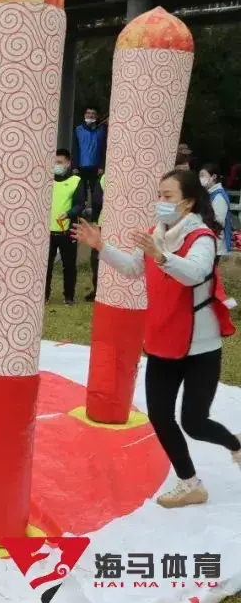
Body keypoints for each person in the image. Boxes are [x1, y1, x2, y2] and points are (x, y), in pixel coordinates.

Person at [73, 169, 241, 509]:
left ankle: (235, 444)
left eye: (167, 196)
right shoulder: (156, 234)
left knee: (194, 422)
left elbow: (194, 273)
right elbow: (134, 268)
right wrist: (101, 245)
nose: (160, 202)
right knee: (160, 416)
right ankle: (190, 482)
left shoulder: (202, 237)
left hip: (200, 346)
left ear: (188, 202)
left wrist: (161, 255)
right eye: (159, 195)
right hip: (163, 338)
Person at [46, 149, 88, 306]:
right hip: (46, 232)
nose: (56, 165)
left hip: (67, 231)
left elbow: (80, 204)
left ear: (68, 163)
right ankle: (44, 296)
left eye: (60, 162)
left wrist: (69, 214)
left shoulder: (76, 181)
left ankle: (69, 297)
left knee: (69, 266)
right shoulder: (46, 180)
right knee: (46, 267)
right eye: (54, 162)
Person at [73, 106, 107, 202]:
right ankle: (81, 210)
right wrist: (74, 166)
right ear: (84, 115)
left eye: (93, 113)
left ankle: (95, 211)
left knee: (96, 194)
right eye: (88, 113)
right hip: (80, 167)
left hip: (96, 167)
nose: (90, 115)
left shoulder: (102, 130)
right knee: (80, 193)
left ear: (97, 116)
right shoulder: (78, 129)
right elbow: (74, 148)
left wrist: (102, 166)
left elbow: (104, 149)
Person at [200, 164, 232, 259]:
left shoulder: (219, 196)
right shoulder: (211, 193)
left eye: (202, 175)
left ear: (213, 177)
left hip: (215, 243)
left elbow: (218, 221)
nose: (200, 179)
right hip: (209, 241)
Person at [86, 174, 105, 302]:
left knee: (97, 257)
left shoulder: (105, 178)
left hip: (104, 224)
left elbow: (97, 201)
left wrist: (94, 220)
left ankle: (97, 290)